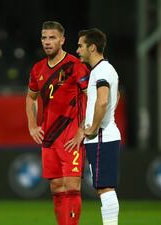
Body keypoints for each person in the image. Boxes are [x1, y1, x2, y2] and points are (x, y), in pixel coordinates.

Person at [25, 21, 89, 225]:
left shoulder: (76, 66)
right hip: (49, 138)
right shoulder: (38, 69)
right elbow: (30, 98)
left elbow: (91, 96)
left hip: (71, 137)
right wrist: (32, 126)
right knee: (56, 188)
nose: (47, 42)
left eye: (52, 37)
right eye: (44, 37)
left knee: (72, 186)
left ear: (62, 40)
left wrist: (82, 129)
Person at [76, 28, 121, 225]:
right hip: (104, 134)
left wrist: (93, 127)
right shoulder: (105, 69)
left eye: (80, 46)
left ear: (92, 47)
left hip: (102, 135)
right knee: (104, 187)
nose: (78, 50)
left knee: (105, 188)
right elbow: (115, 97)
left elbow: (102, 101)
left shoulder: (101, 70)